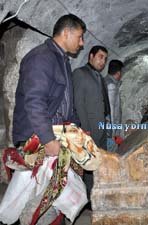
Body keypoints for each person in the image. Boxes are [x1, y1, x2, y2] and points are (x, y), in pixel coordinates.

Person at [7, 14, 86, 225]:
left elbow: (67, 103)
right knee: (37, 200)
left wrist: (77, 130)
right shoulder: (41, 58)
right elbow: (34, 102)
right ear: (66, 33)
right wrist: (48, 138)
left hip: (54, 136)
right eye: (79, 37)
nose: (82, 43)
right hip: (39, 138)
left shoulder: (62, 60)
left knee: (54, 198)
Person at [72, 45, 110, 204]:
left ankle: (99, 195)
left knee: (100, 163)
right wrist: (85, 129)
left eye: (105, 59)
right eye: (100, 57)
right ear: (91, 56)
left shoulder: (100, 77)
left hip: (101, 128)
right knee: (88, 166)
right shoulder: (80, 74)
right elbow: (78, 103)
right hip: (89, 129)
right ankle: (87, 200)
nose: (103, 61)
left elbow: (103, 103)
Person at [104, 59, 124, 151]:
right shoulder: (111, 85)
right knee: (111, 152)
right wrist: (113, 133)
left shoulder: (107, 81)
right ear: (119, 72)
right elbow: (111, 109)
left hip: (110, 127)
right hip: (111, 128)